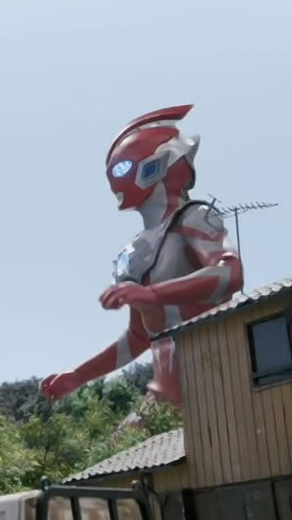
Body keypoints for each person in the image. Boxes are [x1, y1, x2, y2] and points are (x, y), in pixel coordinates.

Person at [40, 105, 244, 408]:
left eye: (123, 167)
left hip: (215, 373)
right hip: (168, 391)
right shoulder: (135, 251)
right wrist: (79, 375)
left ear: (158, 164)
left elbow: (229, 273)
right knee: (131, 438)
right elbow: (139, 336)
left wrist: (153, 293)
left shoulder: (193, 218)